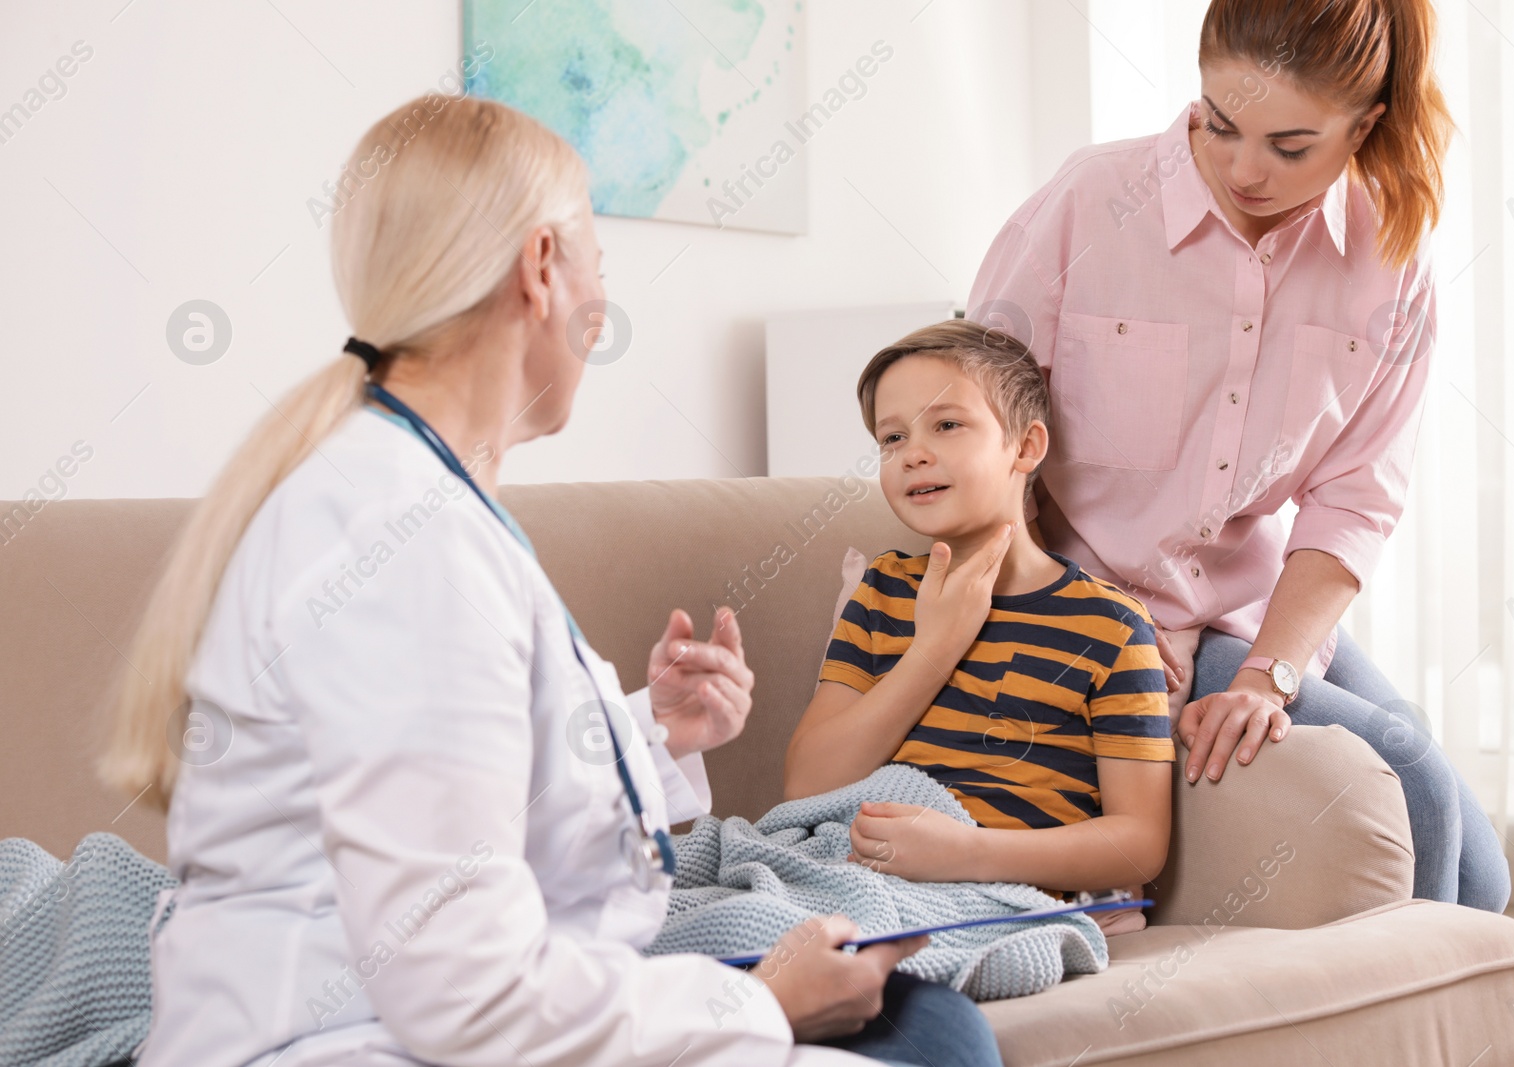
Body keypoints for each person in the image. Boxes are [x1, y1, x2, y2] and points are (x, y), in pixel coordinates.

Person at [98, 94, 1002, 1067]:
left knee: (928, 1022)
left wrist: (650, 732)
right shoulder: (403, 540)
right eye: (596, 269)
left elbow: (460, 783)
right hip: (358, 1037)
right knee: (933, 1043)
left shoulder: (403, 495)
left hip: (398, 1012)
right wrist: (758, 1003)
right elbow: (465, 993)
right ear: (539, 270)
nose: (600, 307)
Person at [964, 0, 1510, 911]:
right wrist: (1076, 624)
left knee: (1483, 879)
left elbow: (1355, 502)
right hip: (1094, 602)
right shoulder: (1090, 204)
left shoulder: (1392, 259)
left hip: (1245, 604)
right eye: (1219, 123)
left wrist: (1269, 673)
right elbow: (975, 432)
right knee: (1411, 784)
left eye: (1290, 146)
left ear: (1364, 126)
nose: (1243, 168)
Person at [783, 321, 1172, 935]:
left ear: (1024, 446)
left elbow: (1139, 843)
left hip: (991, 893)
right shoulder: (884, 592)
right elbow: (808, 786)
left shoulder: (1112, 627)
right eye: (892, 438)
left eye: (946, 424)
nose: (912, 452)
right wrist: (937, 647)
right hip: (852, 874)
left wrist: (965, 854)